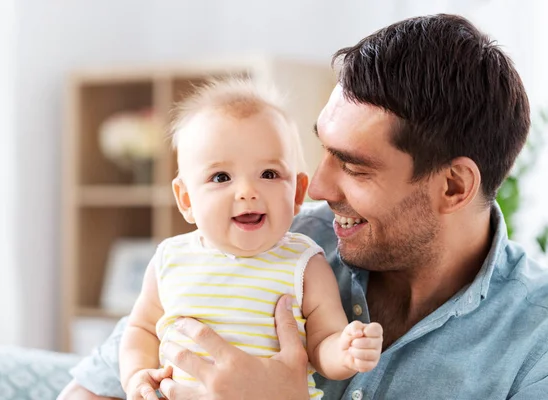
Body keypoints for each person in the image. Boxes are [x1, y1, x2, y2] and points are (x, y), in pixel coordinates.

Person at [59, 13, 548, 400]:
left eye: (355, 167)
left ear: (453, 186)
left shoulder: (535, 344)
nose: (315, 187)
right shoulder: (266, 241)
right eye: (323, 149)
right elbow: (89, 389)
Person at [117, 79, 383, 400]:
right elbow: (141, 329)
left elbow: (324, 339)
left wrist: (345, 351)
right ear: (186, 199)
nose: (247, 191)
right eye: (221, 177)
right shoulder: (170, 258)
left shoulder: (304, 262)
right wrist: (135, 377)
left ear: (297, 192)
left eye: (269, 174)